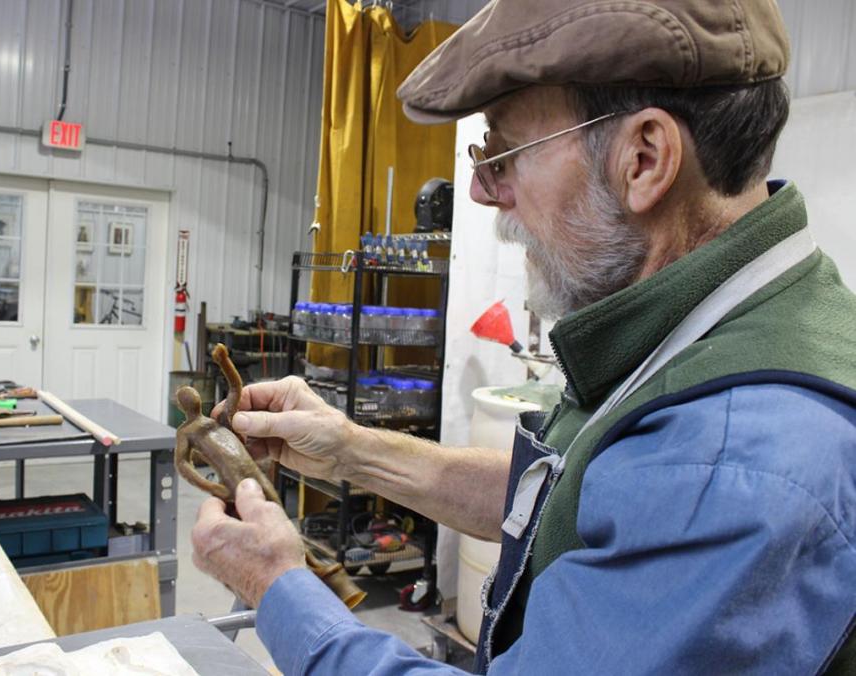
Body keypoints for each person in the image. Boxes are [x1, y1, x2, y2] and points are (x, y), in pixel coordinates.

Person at [191, 1, 856, 673]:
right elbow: (570, 491)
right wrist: (349, 452)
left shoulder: (727, 465)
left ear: (644, 159)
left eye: (503, 155)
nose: (480, 191)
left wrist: (277, 587)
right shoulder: (722, 322)